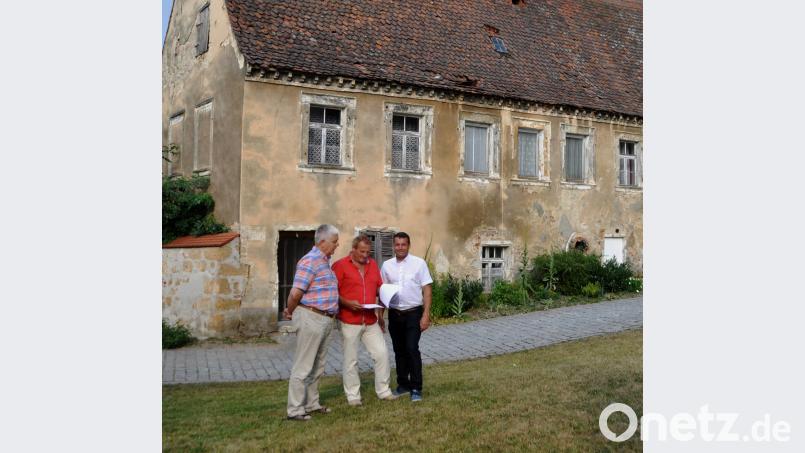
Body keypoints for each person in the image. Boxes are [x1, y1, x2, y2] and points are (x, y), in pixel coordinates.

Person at [283, 224, 340, 421]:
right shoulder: (310, 261)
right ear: (322, 241)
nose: (337, 245)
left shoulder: (325, 262)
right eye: (334, 241)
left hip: (324, 319)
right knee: (304, 366)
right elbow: (295, 293)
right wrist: (290, 311)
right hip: (311, 318)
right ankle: (295, 410)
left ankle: (312, 404)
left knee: (318, 366)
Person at [332, 235, 397, 406]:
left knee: (382, 354)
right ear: (353, 249)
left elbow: (379, 290)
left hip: (370, 320)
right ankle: (353, 396)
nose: (365, 255)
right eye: (361, 252)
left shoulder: (373, 265)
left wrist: (381, 316)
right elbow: (332, 293)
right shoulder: (339, 266)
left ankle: (383, 391)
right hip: (349, 320)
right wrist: (347, 303)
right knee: (351, 359)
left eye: (368, 252)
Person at [380, 232, 433, 402]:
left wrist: (426, 315)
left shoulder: (419, 264)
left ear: (408, 245)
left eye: (403, 244)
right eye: (397, 244)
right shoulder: (386, 266)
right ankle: (403, 385)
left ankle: (416, 387)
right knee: (399, 351)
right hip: (395, 314)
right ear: (393, 246)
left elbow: (427, 290)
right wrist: (380, 316)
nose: (400, 248)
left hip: (413, 313)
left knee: (411, 349)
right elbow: (382, 292)